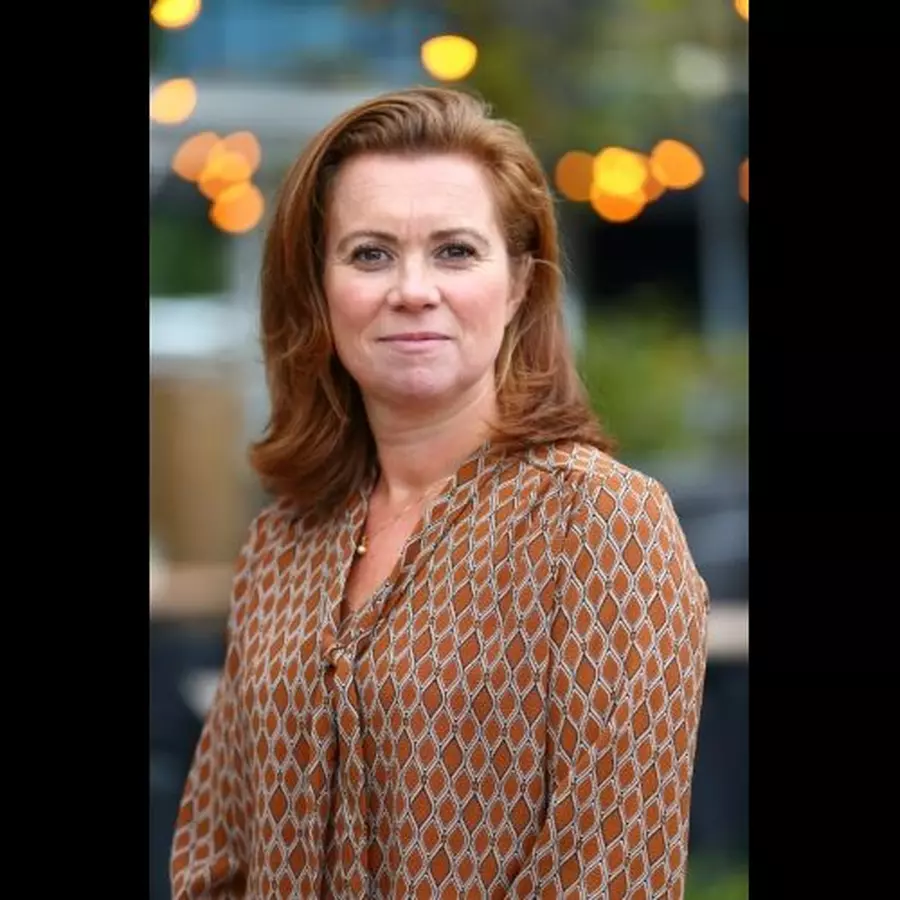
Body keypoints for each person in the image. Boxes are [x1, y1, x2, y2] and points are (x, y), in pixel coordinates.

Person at [170, 85, 709, 899]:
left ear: (519, 283)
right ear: (318, 287)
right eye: (370, 254)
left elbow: (610, 874)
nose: (413, 289)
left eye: (455, 251)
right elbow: (214, 860)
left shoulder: (601, 525)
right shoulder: (281, 543)